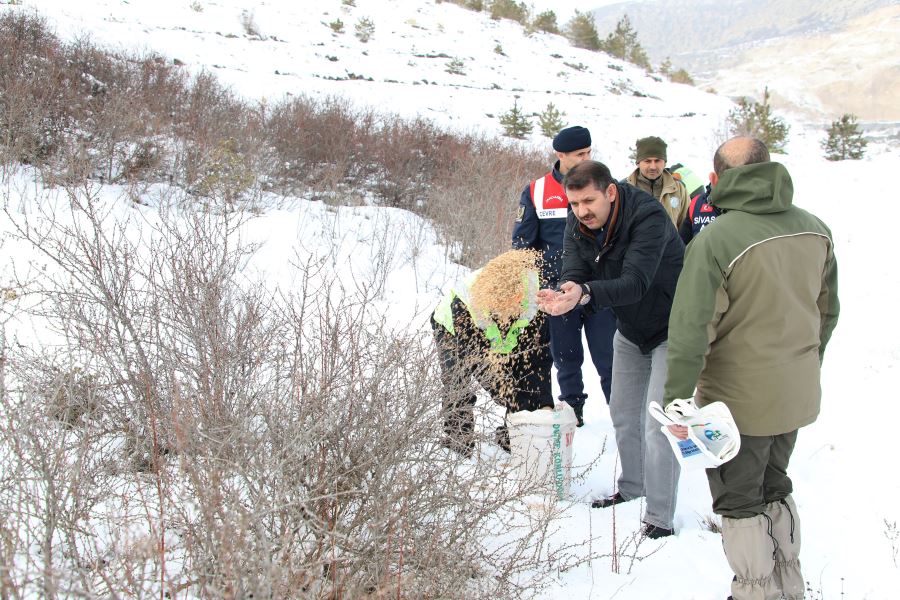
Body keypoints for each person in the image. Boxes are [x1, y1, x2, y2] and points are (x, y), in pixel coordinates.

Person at [662, 137, 840, 599]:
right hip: (794, 395)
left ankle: (756, 592)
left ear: (716, 180)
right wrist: (804, 365)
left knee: (739, 500)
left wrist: (676, 401)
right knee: (775, 486)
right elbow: (827, 314)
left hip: (736, 406)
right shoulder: (816, 229)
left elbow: (691, 329)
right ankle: (788, 586)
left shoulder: (716, 240)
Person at [537, 160, 684, 539]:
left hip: (673, 328)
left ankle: (660, 519)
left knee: (659, 423)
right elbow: (574, 267)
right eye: (574, 204)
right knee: (623, 412)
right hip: (631, 329)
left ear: (611, 192)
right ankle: (633, 488)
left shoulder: (647, 217)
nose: (581, 211)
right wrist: (568, 290)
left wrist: (586, 293)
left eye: (589, 201)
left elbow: (635, 282)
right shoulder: (578, 222)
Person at [512, 125, 616, 427]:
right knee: (566, 358)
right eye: (579, 154)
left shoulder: (604, 184)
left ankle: (620, 413)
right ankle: (573, 412)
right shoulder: (537, 191)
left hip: (597, 288)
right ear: (560, 154)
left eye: (588, 152)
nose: (586, 158)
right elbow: (522, 245)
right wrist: (533, 287)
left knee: (609, 357)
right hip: (557, 292)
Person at [432, 249, 554, 456]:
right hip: (450, 329)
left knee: (524, 378)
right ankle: (458, 440)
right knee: (457, 381)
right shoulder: (467, 306)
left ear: (519, 296)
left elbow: (537, 361)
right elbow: (479, 362)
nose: (503, 307)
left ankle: (514, 435)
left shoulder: (537, 300)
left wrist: (543, 404)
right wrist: (505, 392)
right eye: (498, 303)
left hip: (492, 335)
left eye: (508, 302)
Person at [625, 136, 690, 231]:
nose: (653, 166)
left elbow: (686, 228)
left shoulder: (678, 189)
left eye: (657, 161)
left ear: (665, 163)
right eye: (647, 161)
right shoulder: (625, 190)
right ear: (638, 163)